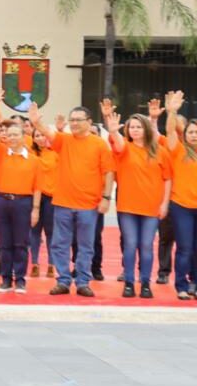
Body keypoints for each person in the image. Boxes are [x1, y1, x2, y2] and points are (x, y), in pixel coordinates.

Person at [29, 103, 114, 297]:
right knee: (59, 244)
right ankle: (63, 280)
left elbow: (108, 172)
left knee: (85, 245)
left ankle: (83, 281)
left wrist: (106, 197)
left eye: (78, 120)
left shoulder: (99, 144)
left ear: (89, 122)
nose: (74, 123)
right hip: (63, 203)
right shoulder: (65, 140)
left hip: (89, 205)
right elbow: (47, 133)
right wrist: (36, 121)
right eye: (72, 120)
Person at [106, 108, 171, 299]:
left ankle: (145, 283)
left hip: (152, 207)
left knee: (146, 245)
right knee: (130, 244)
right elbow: (117, 144)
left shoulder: (161, 151)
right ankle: (128, 282)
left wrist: (165, 203)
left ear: (146, 129)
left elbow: (168, 179)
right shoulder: (124, 148)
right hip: (127, 207)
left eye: (138, 127)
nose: (134, 130)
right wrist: (112, 131)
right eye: (131, 127)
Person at [0, 118, 41, 293]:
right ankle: (6, 279)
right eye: (9, 135)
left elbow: (37, 187)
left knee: (21, 243)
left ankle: (21, 280)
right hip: (2, 201)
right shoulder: (1, 153)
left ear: (24, 137)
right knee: (4, 242)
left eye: (16, 134)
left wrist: (35, 210)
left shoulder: (33, 160)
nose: (12, 138)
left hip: (23, 203)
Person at [165, 91, 197, 300]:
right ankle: (181, 285)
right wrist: (172, 111)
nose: (194, 135)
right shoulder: (178, 150)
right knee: (184, 247)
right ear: (184, 134)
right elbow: (169, 130)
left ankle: (194, 282)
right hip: (181, 206)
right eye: (191, 132)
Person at [29, 128, 58, 279]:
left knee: (50, 232)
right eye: (37, 136)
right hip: (33, 195)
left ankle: (52, 264)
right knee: (34, 231)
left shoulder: (55, 153)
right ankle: (34, 263)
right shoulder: (29, 153)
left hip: (51, 197)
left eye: (43, 135)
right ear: (32, 138)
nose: (41, 138)